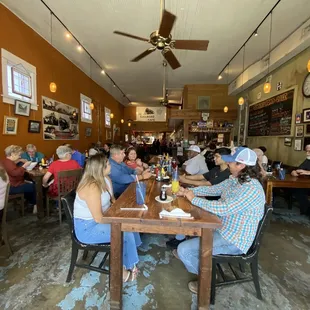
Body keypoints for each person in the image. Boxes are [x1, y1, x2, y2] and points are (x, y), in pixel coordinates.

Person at [175, 147, 265, 294]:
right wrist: (187, 192)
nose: (227, 164)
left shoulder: (251, 189)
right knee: (188, 230)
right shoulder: (236, 179)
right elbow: (213, 190)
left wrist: (194, 199)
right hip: (222, 227)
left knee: (183, 250)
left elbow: (223, 208)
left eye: (231, 162)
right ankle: (203, 265)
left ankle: (208, 280)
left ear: (241, 166)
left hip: (234, 239)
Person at [74, 153, 141, 281]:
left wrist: (123, 211)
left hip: (102, 219)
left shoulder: (106, 179)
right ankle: (124, 271)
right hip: (88, 228)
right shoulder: (91, 186)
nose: (110, 165)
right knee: (124, 232)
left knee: (130, 223)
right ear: (101, 168)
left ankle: (129, 256)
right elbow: (98, 218)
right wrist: (118, 220)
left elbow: (112, 201)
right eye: (108, 164)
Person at [291, 144, 310, 217]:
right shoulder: (308, 159)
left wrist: (307, 172)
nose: (307, 153)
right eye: (306, 151)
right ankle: (306, 210)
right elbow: (299, 169)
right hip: (306, 183)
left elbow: (305, 171)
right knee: (297, 190)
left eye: (309, 151)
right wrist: (294, 171)